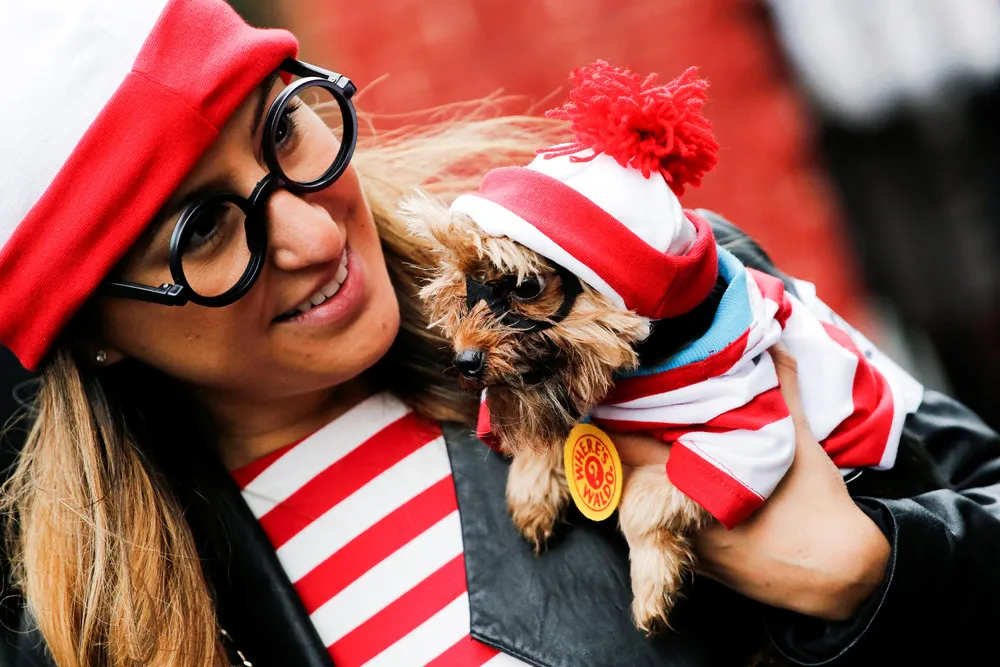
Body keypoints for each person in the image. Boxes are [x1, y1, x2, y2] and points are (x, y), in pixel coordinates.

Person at [0, 1, 998, 666]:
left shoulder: (615, 291)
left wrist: (875, 571)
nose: (310, 232)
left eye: (281, 131)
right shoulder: (95, 629)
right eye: (204, 231)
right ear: (94, 330)